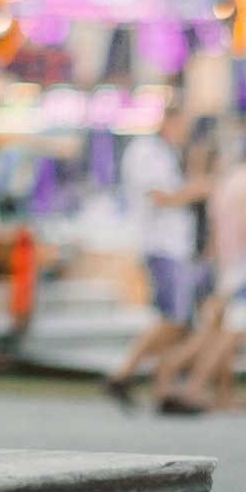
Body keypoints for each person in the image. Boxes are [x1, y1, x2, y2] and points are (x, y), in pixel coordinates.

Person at [101, 109, 210, 411]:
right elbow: (159, 198)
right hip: (163, 244)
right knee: (173, 318)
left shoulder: (163, 152)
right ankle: (123, 372)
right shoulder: (148, 152)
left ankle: (162, 386)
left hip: (173, 245)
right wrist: (196, 190)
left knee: (176, 321)